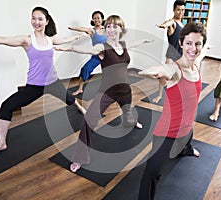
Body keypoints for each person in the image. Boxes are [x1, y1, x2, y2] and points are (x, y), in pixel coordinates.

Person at [0, 6, 86, 158]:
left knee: (69, 98)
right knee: (6, 106)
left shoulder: (50, 39)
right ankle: (1, 143)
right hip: (34, 86)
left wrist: (78, 37)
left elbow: (65, 39)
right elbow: (3, 40)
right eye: (33, 18)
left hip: (52, 81)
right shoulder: (27, 40)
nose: (36, 22)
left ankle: (80, 108)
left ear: (46, 21)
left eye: (40, 19)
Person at [55, 15, 153, 172]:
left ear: (121, 29)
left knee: (128, 113)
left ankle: (132, 122)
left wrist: (145, 40)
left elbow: (134, 43)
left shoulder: (124, 44)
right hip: (107, 92)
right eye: (109, 26)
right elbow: (89, 50)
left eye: (115, 26)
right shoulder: (102, 48)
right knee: (89, 121)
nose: (111, 29)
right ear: (106, 29)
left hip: (125, 90)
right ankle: (80, 158)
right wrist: (71, 48)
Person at [137, 21, 207, 200]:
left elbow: (200, 55)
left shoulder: (196, 65)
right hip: (167, 132)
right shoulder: (175, 69)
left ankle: (187, 149)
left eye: (198, 43)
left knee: (188, 136)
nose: (193, 48)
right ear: (181, 44)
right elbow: (166, 69)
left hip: (187, 127)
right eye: (189, 43)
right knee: (152, 172)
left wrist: (205, 50)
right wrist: (155, 71)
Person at [153, 0, 185, 103]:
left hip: (181, 55)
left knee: (179, 77)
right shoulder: (173, 23)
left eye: (183, 10)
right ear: (174, 10)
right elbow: (169, 23)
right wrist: (163, 25)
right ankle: (159, 95)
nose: (180, 12)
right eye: (178, 10)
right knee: (163, 74)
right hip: (171, 54)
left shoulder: (183, 25)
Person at [68, 10, 107, 96]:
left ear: (102, 19)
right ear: (92, 20)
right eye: (94, 18)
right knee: (85, 69)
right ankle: (80, 89)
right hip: (96, 56)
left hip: (107, 55)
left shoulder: (107, 29)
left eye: (98, 18)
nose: (96, 20)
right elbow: (83, 28)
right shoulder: (92, 31)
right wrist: (74, 28)